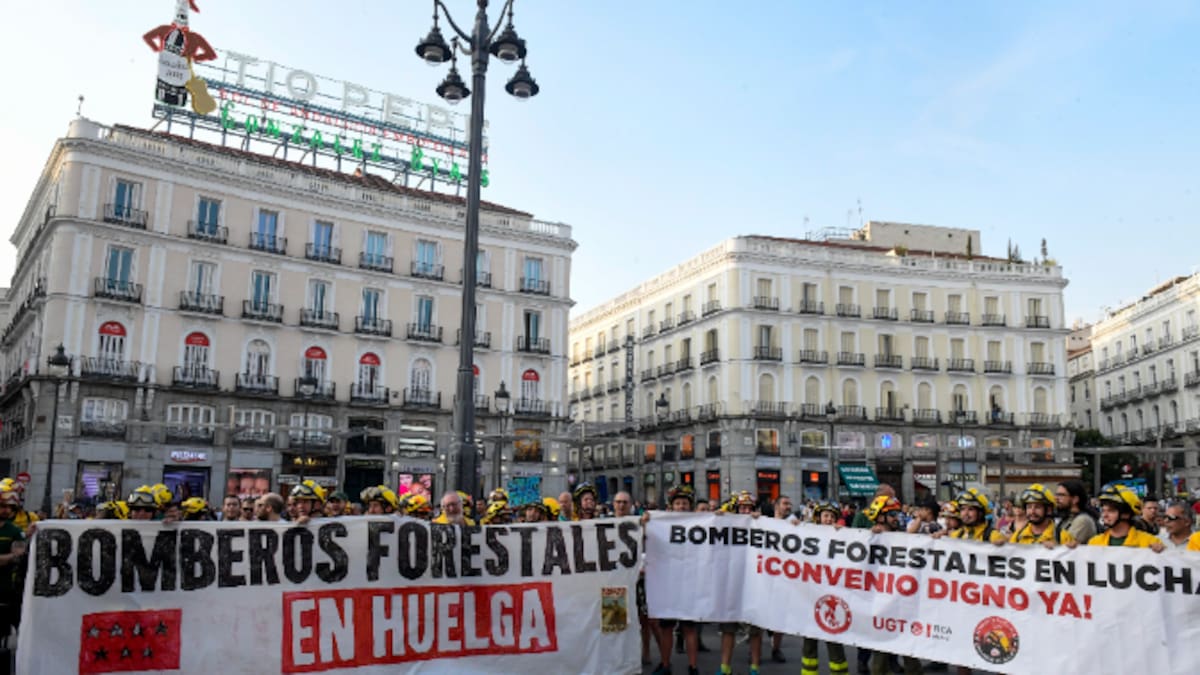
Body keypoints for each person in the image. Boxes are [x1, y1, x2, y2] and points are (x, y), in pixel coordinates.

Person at [861, 495, 923, 675]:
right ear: (880, 517)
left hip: (904, 607)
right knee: (879, 662)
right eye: (892, 514)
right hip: (881, 609)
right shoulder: (869, 538)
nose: (897, 518)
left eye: (897, 513)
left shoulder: (902, 536)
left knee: (910, 656)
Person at [650, 485, 701, 675]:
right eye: (678, 503)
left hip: (689, 582)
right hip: (668, 583)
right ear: (671, 506)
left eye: (685, 503)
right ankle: (665, 664)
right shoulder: (661, 524)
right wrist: (646, 521)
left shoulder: (700, 524)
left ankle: (693, 666)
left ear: (690, 506)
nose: (681, 506)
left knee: (689, 628)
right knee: (666, 628)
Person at [716, 490, 764, 675]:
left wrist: (761, 520)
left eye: (749, 508)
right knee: (728, 629)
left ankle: (754, 667)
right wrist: (719, 516)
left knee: (755, 631)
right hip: (732, 585)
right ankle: (725, 667)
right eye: (742, 507)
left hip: (754, 586)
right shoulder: (727, 523)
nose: (745, 511)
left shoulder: (761, 524)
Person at [801, 503, 850, 675]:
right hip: (811, 596)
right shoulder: (808, 533)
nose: (828, 519)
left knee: (834, 638)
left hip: (832, 596)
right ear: (819, 518)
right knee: (809, 640)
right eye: (825, 516)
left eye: (831, 516)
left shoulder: (843, 537)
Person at [1088, 485, 1164, 550]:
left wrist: (1161, 553)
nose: (1104, 515)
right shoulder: (1094, 542)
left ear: (1126, 514)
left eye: (1111, 511)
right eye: (1103, 510)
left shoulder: (1150, 542)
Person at [769, 495, 794, 663]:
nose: (788, 506)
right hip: (764, 576)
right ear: (776, 506)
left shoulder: (793, 524)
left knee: (779, 616)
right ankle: (753, 652)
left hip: (783, 577)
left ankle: (776, 648)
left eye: (789, 503)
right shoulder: (764, 523)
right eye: (785, 503)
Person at [1008, 484, 1075, 548]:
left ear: (1049, 510)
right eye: (1029, 507)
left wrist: (1059, 548)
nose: (1032, 511)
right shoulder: (1017, 537)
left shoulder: (1063, 537)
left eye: (1037, 507)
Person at [0, 491, 28, 634]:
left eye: (10, 507)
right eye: (3, 506)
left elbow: (18, 555)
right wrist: (9, 556)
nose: (6, 510)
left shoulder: (15, 531)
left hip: (6, 587)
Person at [941, 489, 1005, 544]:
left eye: (970, 509)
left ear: (980, 513)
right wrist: (939, 539)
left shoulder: (993, 536)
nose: (965, 513)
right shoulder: (956, 535)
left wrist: (1003, 545)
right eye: (963, 509)